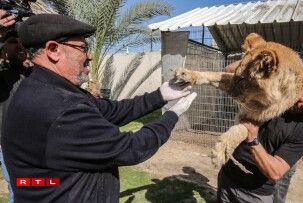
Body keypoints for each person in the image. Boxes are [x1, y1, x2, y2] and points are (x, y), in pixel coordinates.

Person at [1, 14, 197, 202]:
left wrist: (160, 95)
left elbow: (114, 111)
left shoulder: (47, 87)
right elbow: (132, 148)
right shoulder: (60, 108)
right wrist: (172, 114)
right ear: (53, 50)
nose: (90, 56)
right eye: (82, 48)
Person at [217, 72, 303, 203]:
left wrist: (253, 140)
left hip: (255, 195)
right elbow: (231, 70)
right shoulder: (270, 94)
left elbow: (275, 173)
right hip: (227, 178)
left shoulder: (301, 134)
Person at [0, 8, 32, 203]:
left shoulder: (32, 74)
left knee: (19, 188)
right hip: (4, 141)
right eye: (13, 43)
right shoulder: (3, 73)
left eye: (22, 43)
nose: (19, 46)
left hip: (20, 142)